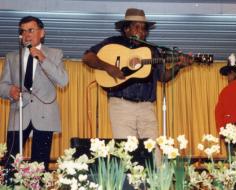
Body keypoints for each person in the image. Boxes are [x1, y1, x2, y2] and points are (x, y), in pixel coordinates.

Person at [82, 8, 187, 143]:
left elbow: (163, 76)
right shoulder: (113, 42)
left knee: (152, 151)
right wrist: (108, 67)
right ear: (127, 29)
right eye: (137, 27)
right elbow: (87, 57)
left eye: (144, 29)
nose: (141, 32)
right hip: (121, 105)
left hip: (147, 107)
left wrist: (178, 66)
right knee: (126, 151)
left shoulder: (152, 50)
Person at [0, 16, 68, 170]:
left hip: (45, 114)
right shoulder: (12, 57)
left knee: (40, 164)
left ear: (42, 33)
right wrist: (9, 90)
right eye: (23, 31)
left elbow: (63, 80)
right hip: (19, 113)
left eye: (31, 30)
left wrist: (43, 58)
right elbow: (2, 85)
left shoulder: (55, 54)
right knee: (10, 162)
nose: (26, 35)